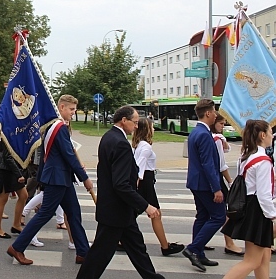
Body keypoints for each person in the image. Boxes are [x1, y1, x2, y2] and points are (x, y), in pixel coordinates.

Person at [77, 106, 164, 279]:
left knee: (137, 248)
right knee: (99, 255)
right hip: (116, 211)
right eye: (135, 122)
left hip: (117, 210)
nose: (136, 126)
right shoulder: (121, 144)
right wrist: (145, 206)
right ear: (124, 120)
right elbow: (121, 184)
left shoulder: (108, 137)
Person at [10, 95, 93, 265]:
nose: (73, 113)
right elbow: (68, 155)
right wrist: (84, 178)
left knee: (74, 214)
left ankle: (83, 252)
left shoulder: (52, 126)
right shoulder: (59, 127)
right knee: (45, 214)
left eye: (74, 110)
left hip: (60, 178)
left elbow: (48, 156)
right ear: (61, 107)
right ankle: (17, 247)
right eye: (71, 109)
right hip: (58, 178)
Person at [221, 119, 276, 279]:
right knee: (252, 261)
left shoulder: (246, 156)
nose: (272, 136)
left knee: (263, 257)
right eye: (271, 133)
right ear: (262, 135)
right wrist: (272, 216)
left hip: (250, 208)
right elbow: (264, 195)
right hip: (258, 211)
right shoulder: (263, 161)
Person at [182, 98, 226, 272]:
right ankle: (193, 249)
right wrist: (217, 188)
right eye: (214, 111)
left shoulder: (196, 131)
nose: (215, 115)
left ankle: (198, 253)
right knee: (218, 217)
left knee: (202, 216)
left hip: (196, 182)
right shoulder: (204, 134)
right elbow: (208, 164)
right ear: (208, 113)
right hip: (205, 184)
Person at [132, 117, 184, 256]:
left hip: (145, 182)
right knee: (155, 214)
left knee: (133, 214)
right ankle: (165, 247)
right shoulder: (145, 147)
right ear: (147, 129)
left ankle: (120, 240)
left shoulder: (139, 144)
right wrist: (134, 189)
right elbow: (139, 169)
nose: (154, 129)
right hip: (145, 184)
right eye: (152, 127)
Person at [210, 112, 243, 256]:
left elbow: (227, 149)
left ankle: (199, 241)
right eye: (221, 124)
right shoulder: (216, 139)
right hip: (217, 179)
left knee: (204, 214)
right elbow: (222, 164)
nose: (223, 127)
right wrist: (230, 181)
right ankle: (229, 243)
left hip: (209, 179)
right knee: (225, 213)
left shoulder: (213, 137)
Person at [0, 138, 27, 240]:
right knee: (3, 199)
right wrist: (19, 174)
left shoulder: (15, 131)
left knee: (23, 195)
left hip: (11, 169)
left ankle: (16, 225)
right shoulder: (9, 132)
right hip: (5, 170)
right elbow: (8, 157)